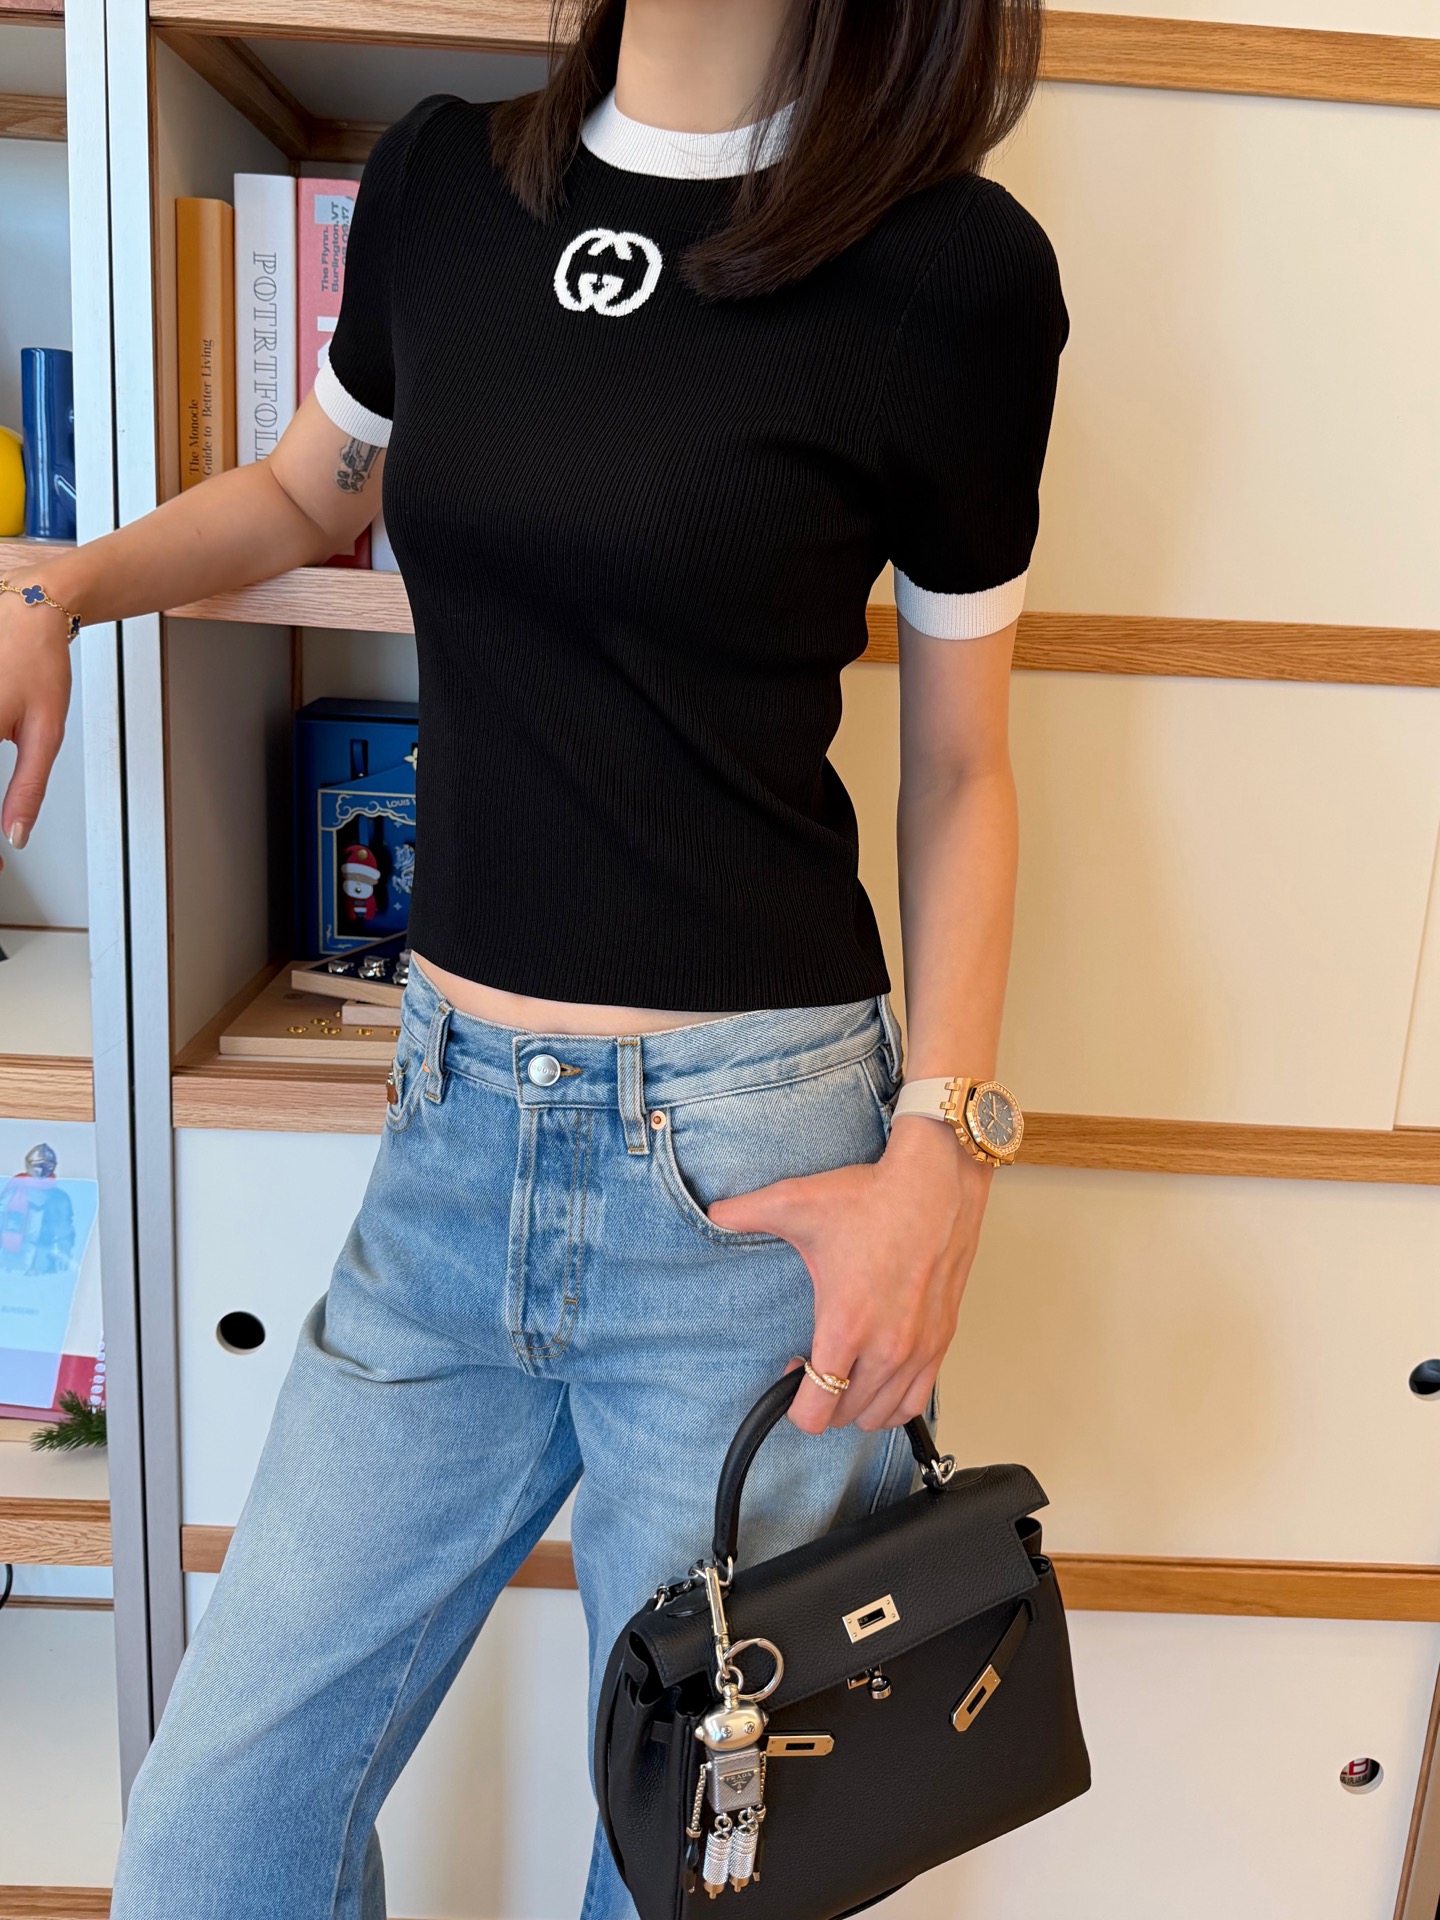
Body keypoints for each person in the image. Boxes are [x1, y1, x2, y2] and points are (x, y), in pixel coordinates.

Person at [0, 0, 1067, 1911]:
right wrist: (58, 582)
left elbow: (965, 765)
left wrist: (945, 1155)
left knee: (691, 1879)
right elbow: (310, 490)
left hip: (755, 1188)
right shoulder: (438, 184)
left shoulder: (949, 272)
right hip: (450, 1148)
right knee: (209, 1842)